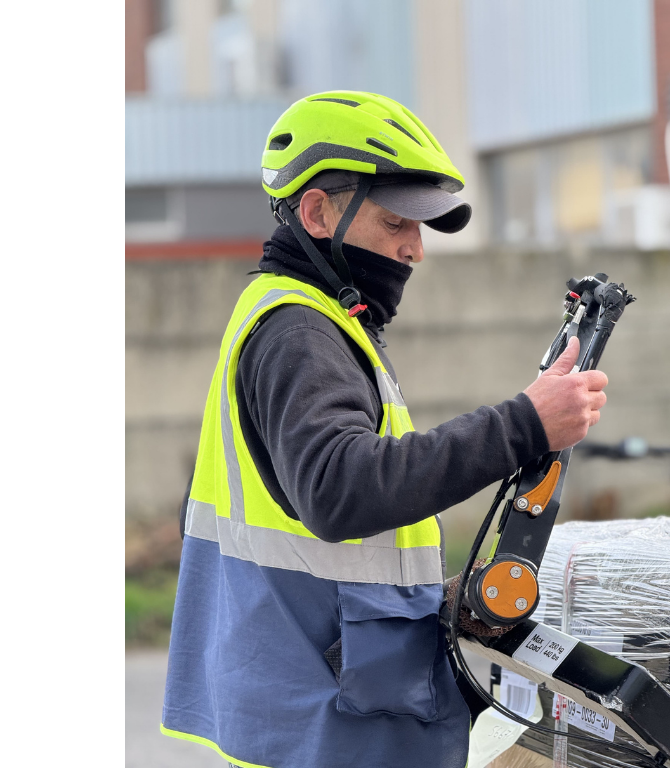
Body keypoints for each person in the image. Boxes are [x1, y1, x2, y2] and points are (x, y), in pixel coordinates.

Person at [159, 91, 609, 767]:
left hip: (330, 707)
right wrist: (523, 424)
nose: (414, 250)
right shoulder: (300, 333)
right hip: (331, 725)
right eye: (398, 222)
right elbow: (341, 489)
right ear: (317, 212)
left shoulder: (318, 322)